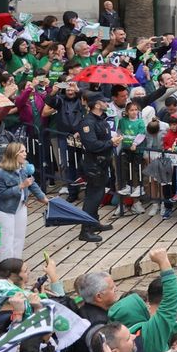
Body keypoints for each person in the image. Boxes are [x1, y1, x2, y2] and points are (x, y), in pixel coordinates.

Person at [0, 139, 45, 261]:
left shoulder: (24, 167)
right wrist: (21, 186)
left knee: (19, 239)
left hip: (20, 207)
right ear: (14, 154)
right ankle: (5, 268)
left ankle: (16, 266)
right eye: (22, 152)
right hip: (3, 210)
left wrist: (43, 198)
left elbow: (32, 183)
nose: (25, 154)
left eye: (25, 151)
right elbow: (2, 194)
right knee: (5, 242)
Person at [77, 92, 120, 241]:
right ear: (96, 105)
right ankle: (85, 230)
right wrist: (110, 143)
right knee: (93, 197)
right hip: (93, 164)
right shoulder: (88, 122)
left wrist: (112, 142)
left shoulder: (101, 120)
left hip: (102, 163)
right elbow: (92, 144)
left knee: (99, 195)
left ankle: (94, 223)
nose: (107, 104)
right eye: (104, 101)